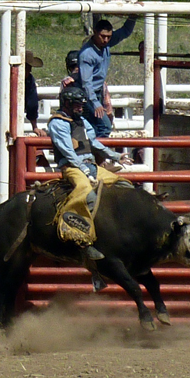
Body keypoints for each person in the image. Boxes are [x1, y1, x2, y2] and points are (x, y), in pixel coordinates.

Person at [48, 86, 132, 261]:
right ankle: (81, 240)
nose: (80, 107)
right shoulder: (57, 123)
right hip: (71, 167)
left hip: (90, 165)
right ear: (66, 104)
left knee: (123, 184)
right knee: (86, 193)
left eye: (81, 104)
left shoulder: (82, 121)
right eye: (77, 104)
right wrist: (82, 168)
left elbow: (93, 143)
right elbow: (68, 151)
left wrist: (116, 156)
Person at [78, 16, 137, 138]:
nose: (106, 40)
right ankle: (99, 154)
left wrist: (133, 16)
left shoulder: (106, 44)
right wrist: (95, 103)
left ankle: (95, 155)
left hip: (96, 93)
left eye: (108, 37)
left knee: (95, 129)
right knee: (104, 126)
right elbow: (86, 83)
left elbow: (125, 31)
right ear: (95, 33)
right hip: (87, 96)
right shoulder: (87, 54)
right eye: (102, 36)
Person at [0, 50, 46, 136]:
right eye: (28, 67)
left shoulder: (29, 80)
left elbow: (32, 105)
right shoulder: (0, 78)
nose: (30, 70)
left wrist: (34, 127)